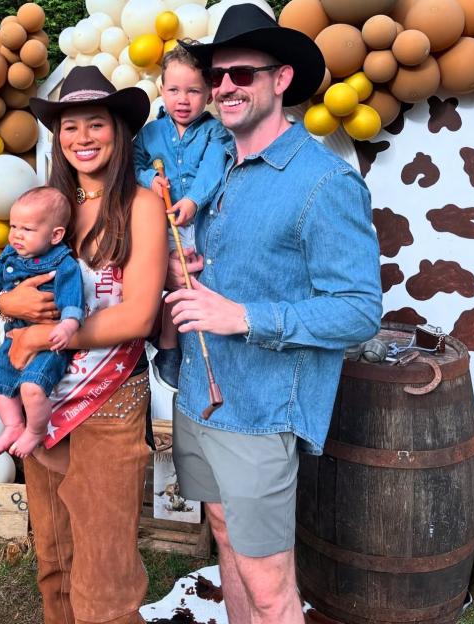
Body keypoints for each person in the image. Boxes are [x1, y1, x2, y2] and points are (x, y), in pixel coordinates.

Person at [166, 5, 383, 623]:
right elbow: (230, 268)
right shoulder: (221, 170)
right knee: (226, 543)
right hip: (199, 398)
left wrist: (245, 317)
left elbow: (359, 310)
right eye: (216, 77)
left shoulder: (323, 182)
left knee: (270, 590)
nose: (225, 87)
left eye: (241, 74)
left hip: (260, 415)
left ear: (280, 79)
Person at [0, 66, 168, 624]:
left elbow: (138, 316)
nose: (83, 138)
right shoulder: (47, 206)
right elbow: (6, 283)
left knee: (104, 573)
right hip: (42, 399)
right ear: (57, 137)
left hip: (108, 403)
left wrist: (40, 333)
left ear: (119, 132)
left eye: (97, 124)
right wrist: (6, 306)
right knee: (55, 558)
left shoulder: (140, 205)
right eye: (71, 127)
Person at [0, 186, 84, 458]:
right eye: (13, 226)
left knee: (31, 388)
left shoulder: (63, 263)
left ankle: (35, 431)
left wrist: (68, 325)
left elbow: (73, 300)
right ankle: (13, 424)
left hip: (49, 342)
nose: (16, 235)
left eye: (27, 229)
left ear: (56, 235)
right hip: (14, 336)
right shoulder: (10, 255)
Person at [133, 44, 232, 389]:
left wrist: (192, 199)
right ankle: (158, 338)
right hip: (156, 223)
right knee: (155, 276)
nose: (183, 99)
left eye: (193, 91)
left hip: (195, 223)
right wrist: (149, 179)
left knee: (192, 282)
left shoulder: (214, 132)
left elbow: (212, 168)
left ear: (208, 95)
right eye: (174, 90)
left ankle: (176, 346)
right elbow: (134, 164)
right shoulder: (149, 133)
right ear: (162, 90)